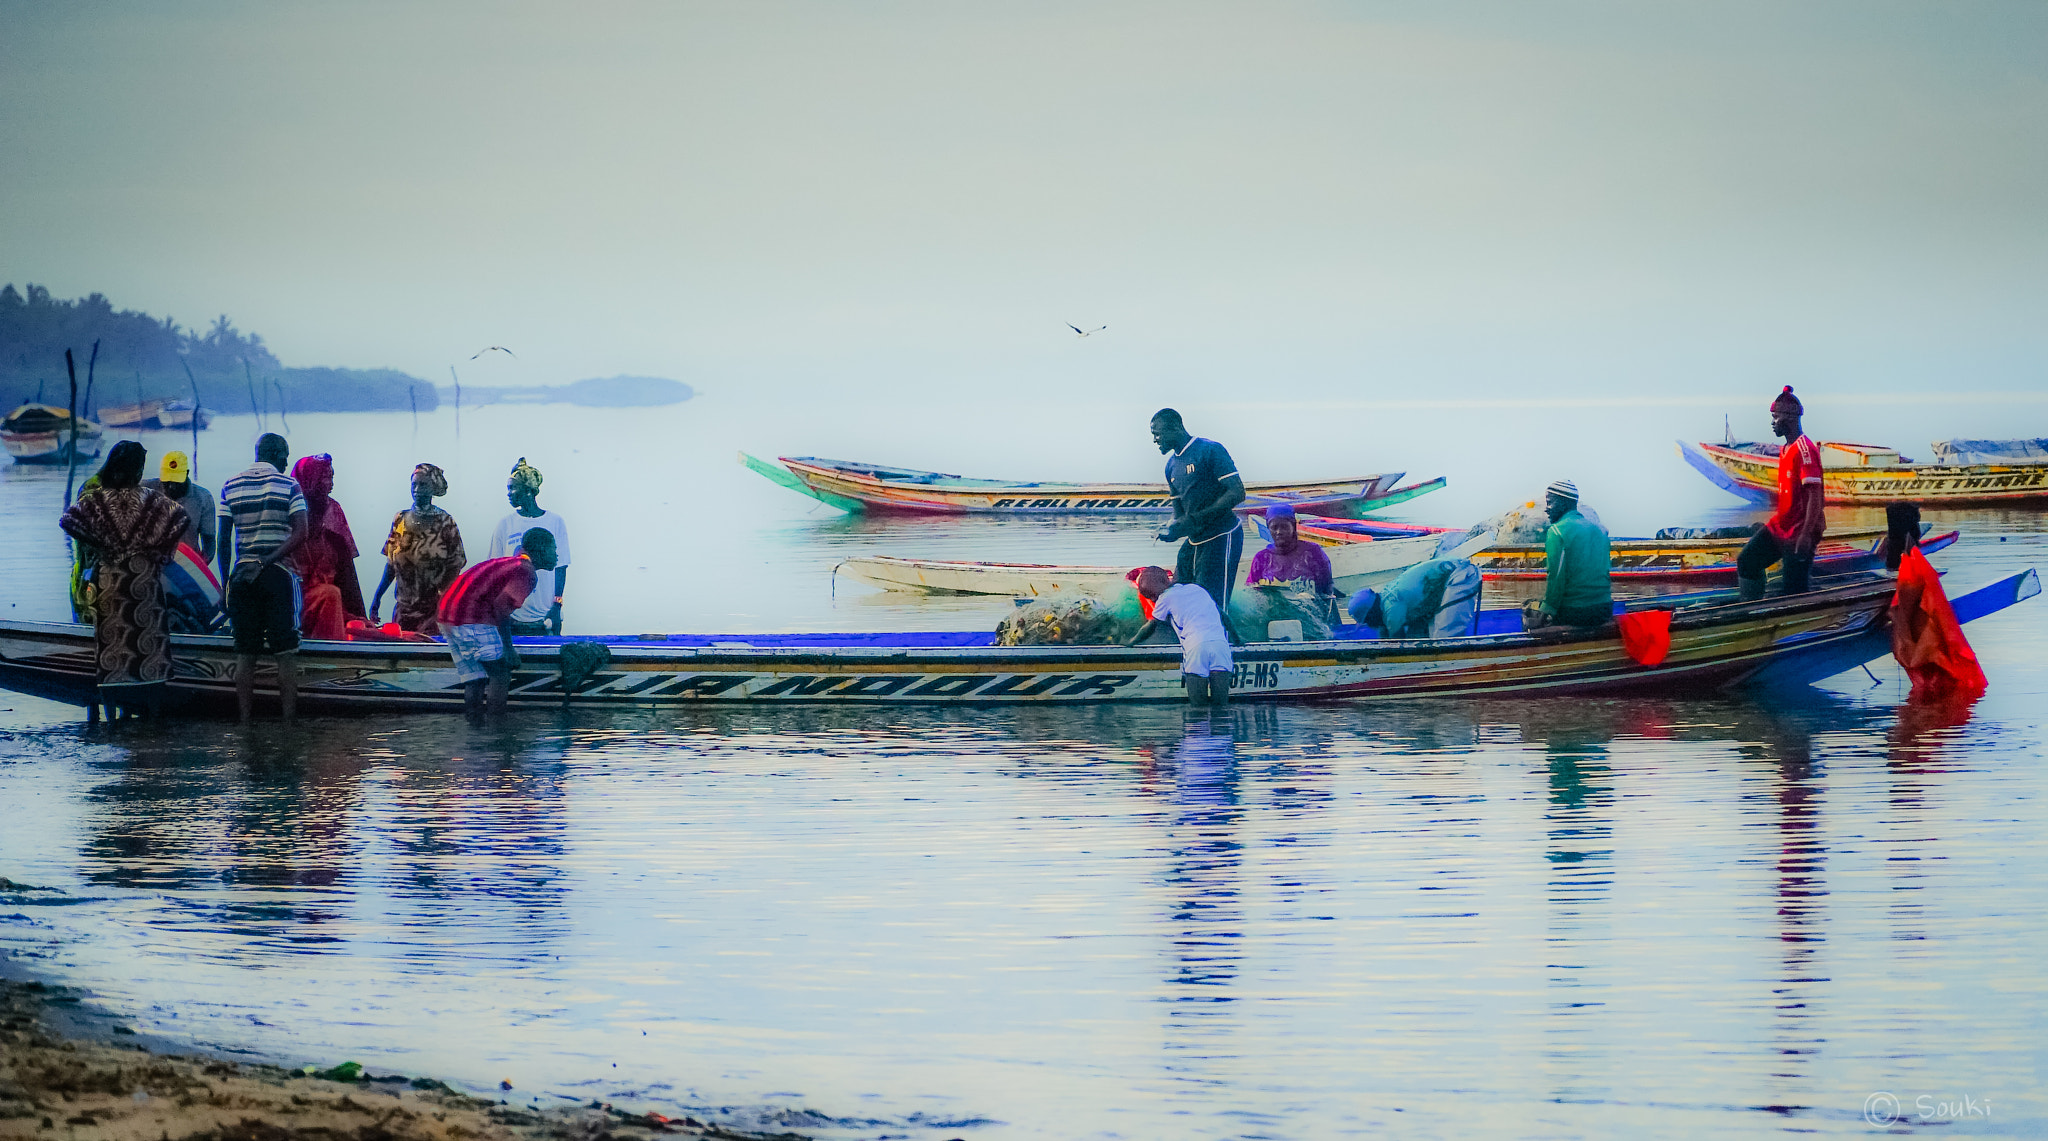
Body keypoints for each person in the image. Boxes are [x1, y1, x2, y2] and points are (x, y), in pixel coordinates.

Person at [58, 441, 191, 716]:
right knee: (149, 655)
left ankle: (112, 721)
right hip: (145, 584)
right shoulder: (153, 500)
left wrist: (100, 546)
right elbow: (181, 519)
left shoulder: (97, 499)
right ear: (139, 471)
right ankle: (152, 718)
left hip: (110, 583)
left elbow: (69, 522)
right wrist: (160, 554)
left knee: (113, 655)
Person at [216, 433, 309, 721]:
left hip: (241, 576)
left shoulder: (230, 485)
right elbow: (301, 533)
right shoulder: (289, 484)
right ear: (279, 454)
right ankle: (288, 722)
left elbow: (223, 541)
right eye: (286, 455)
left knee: (245, 653)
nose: (287, 461)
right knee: (286, 652)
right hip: (277, 574)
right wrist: (267, 560)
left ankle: (245, 721)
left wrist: (225, 585)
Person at [436, 528, 553, 718]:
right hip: (472, 618)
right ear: (540, 550)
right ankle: (497, 731)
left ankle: (475, 728)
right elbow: (501, 607)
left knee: (475, 679)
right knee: (501, 674)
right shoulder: (527, 571)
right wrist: (509, 649)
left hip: (447, 617)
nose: (556, 555)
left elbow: (496, 603)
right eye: (553, 549)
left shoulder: (510, 563)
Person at [1149, 409, 1244, 640]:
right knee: (1176, 597)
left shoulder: (1209, 450)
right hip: (1195, 542)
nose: (1154, 440)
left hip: (1222, 535)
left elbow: (1237, 492)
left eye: (1157, 434)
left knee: (1212, 606)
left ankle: (1225, 652)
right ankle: (1185, 650)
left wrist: (1194, 520)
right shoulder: (1170, 466)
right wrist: (1171, 530)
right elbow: (1180, 516)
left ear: (1175, 427)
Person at [1736, 386, 1827, 600]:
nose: (1772, 423)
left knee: (1794, 591)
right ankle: (1752, 610)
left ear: (1788, 418)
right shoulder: (1785, 449)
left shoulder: (1805, 450)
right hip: (1781, 526)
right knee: (1747, 561)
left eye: (1775, 417)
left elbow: (1815, 495)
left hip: (1799, 531)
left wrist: (1806, 534)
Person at [370, 463, 466, 633]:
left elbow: (455, 567)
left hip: (432, 613)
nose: (417, 489)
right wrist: (377, 598)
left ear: (433, 488)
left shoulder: (445, 522)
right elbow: (391, 564)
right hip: (403, 611)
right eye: (414, 484)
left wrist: (442, 603)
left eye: (423, 485)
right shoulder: (400, 519)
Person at [1125, 565, 1234, 708]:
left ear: (1165, 583)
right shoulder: (1197, 589)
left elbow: (1151, 626)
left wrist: (1132, 641)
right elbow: (1223, 616)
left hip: (1196, 648)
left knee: (1198, 710)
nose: (1152, 599)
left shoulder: (1164, 598)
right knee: (1221, 708)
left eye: (1152, 595)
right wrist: (1238, 639)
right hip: (1221, 647)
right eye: (1148, 597)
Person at [486, 457, 570, 635]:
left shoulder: (555, 522)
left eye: (513, 488)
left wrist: (557, 604)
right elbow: (494, 571)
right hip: (512, 617)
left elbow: (561, 567)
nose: (509, 493)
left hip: (546, 616)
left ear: (529, 491)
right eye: (507, 489)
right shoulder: (505, 524)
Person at [287, 454, 365, 640]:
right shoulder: (291, 510)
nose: (330, 484)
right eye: (324, 478)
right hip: (297, 598)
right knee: (329, 595)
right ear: (309, 479)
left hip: (332, 599)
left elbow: (346, 568)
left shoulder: (334, 509)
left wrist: (359, 614)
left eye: (332, 477)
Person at [1522, 479, 1613, 631]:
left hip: (1577, 613)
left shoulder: (1557, 531)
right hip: (1604, 609)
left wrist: (1545, 613)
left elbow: (1556, 579)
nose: (1547, 509)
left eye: (1550, 503)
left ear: (1563, 504)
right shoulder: (1600, 530)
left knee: (1528, 607)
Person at [141, 450, 216, 562]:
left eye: (177, 482)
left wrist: (200, 567)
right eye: (167, 481)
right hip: (150, 565)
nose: (172, 487)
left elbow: (209, 540)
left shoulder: (203, 498)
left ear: (187, 473)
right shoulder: (145, 490)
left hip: (186, 566)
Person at [1247, 503, 1334, 593]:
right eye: (1274, 527)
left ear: (1293, 526)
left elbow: (1327, 591)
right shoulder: (1261, 558)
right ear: (1268, 528)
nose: (1279, 532)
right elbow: (1252, 591)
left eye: (1284, 527)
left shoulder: (1313, 553)